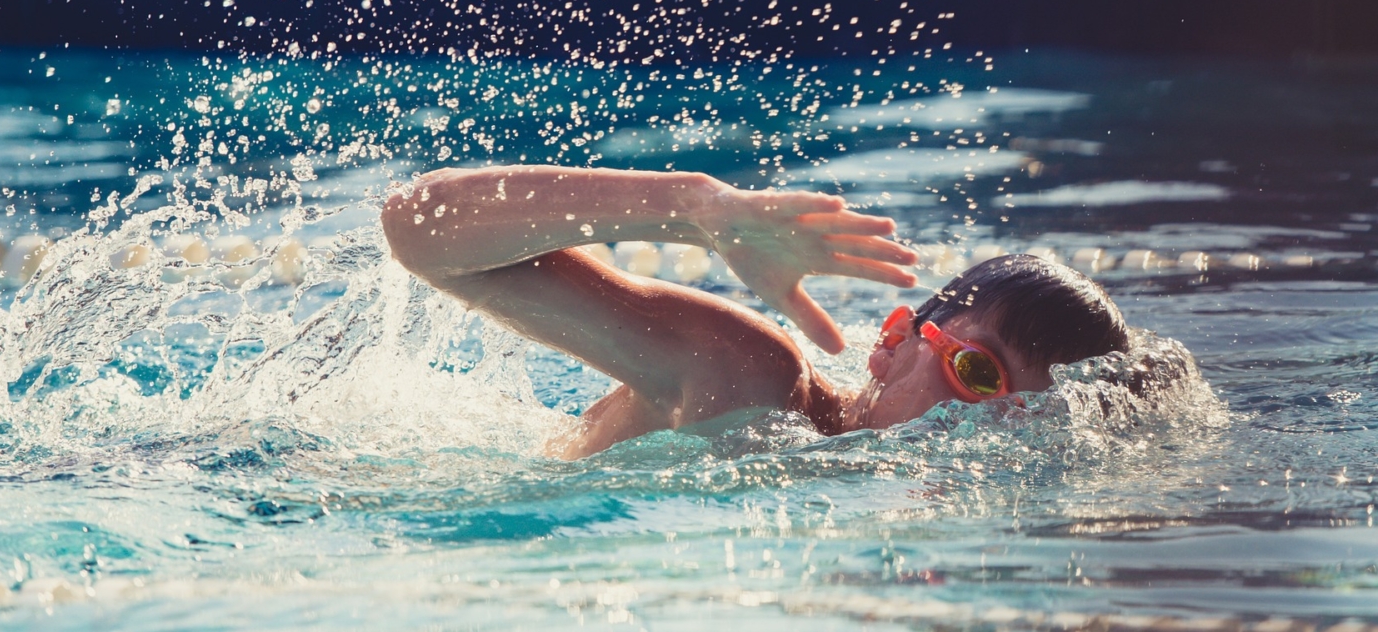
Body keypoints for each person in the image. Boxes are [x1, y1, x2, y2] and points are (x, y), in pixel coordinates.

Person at [381, 166, 1130, 458]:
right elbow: (419, 230)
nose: (980, 430)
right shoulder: (751, 378)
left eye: (1024, 420)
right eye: (975, 372)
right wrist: (693, 209)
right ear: (895, 340)